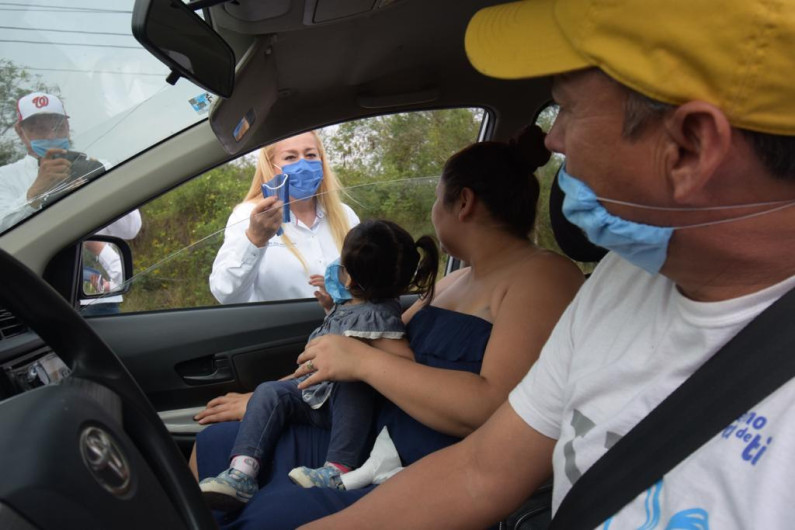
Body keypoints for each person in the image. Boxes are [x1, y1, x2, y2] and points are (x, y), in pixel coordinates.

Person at [299, 0, 795, 528]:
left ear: (690, 148)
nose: (552, 140)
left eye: (568, 109)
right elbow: (481, 471)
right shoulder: (623, 280)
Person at [192, 124, 585, 529]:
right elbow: (364, 338)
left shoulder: (541, 277)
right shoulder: (454, 281)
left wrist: (361, 363)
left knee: (268, 518)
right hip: (367, 433)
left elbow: (493, 408)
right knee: (214, 443)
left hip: (420, 466)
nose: (434, 212)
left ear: (463, 203)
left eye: (437, 199)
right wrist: (272, 398)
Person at [199, 219, 439, 511]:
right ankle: (242, 472)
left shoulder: (381, 317)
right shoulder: (351, 303)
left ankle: (338, 468)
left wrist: (363, 363)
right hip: (315, 396)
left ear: (350, 278)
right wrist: (330, 309)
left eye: (343, 264)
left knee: (354, 387)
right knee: (269, 391)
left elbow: (404, 362)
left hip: (344, 412)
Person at [0, 92, 141, 313]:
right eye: (38, 128)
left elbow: (131, 229)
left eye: (56, 125)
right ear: (21, 132)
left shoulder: (96, 166)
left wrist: (98, 183)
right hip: (30, 297)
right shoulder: (5, 176)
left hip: (96, 296)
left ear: (67, 126)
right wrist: (35, 194)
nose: (49, 134)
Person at [209, 131, 359, 304]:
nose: (303, 164)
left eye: (310, 155)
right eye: (290, 157)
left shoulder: (345, 215)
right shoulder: (249, 216)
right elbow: (226, 294)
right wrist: (255, 240)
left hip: (344, 327)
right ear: (271, 166)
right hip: (287, 328)